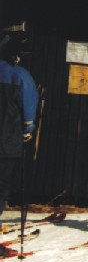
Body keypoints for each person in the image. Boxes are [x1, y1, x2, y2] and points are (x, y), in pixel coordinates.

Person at [0, 33, 38, 224]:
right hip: (7, 142)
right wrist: (28, 129)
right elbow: (29, 108)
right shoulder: (20, 75)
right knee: (1, 185)